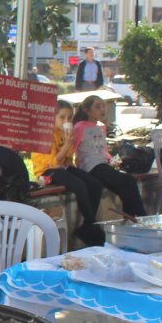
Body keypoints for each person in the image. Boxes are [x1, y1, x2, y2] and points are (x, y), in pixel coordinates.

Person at [31, 101, 107, 246]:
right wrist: (66, 145)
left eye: (69, 118)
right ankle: (92, 225)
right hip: (47, 171)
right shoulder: (46, 134)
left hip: (62, 167)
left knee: (95, 184)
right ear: (52, 117)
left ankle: (87, 224)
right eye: (62, 117)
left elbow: (67, 158)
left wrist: (68, 145)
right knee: (79, 185)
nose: (66, 121)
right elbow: (53, 163)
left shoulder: (63, 133)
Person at [70, 95, 147, 216]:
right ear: (87, 110)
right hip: (90, 166)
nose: (102, 110)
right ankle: (139, 217)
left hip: (103, 164)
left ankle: (132, 216)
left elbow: (103, 149)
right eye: (97, 107)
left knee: (129, 181)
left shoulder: (101, 127)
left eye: (103, 106)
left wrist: (112, 160)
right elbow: (72, 148)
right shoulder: (80, 127)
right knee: (127, 182)